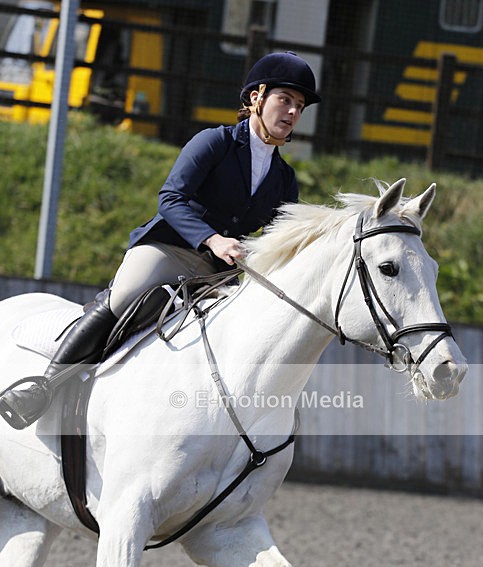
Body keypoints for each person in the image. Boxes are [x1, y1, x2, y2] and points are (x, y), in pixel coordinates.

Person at [0, 51, 320, 429]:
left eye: (299, 106)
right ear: (256, 97)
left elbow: (278, 240)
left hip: (219, 273)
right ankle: (43, 387)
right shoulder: (214, 142)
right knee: (123, 297)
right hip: (168, 249)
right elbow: (171, 198)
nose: (293, 113)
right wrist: (214, 239)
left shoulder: (284, 178)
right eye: (285, 100)